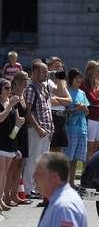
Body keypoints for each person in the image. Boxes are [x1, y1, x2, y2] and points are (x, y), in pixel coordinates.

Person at [24, 61, 54, 199]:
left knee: (42, 162)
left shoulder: (44, 88)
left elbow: (47, 110)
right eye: (43, 71)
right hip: (37, 131)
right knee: (33, 160)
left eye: (46, 71)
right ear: (35, 72)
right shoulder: (31, 89)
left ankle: (36, 188)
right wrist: (39, 129)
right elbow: (28, 113)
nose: (46, 73)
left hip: (47, 130)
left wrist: (50, 128)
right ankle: (28, 189)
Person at [4, 71, 31, 206]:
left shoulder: (22, 96)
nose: (27, 82)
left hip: (23, 132)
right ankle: (7, 195)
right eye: (25, 79)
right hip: (15, 132)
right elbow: (13, 117)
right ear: (18, 81)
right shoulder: (13, 96)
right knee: (12, 167)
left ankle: (15, 194)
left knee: (19, 166)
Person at [0, 79, 24, 211]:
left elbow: (15, 126)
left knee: (5, 174)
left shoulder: (12, 103)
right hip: (1, 142)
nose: (10, 90)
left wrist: (19, 124)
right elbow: (1, 118)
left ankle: (1, 198)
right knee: (1, 172)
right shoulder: (6, 104)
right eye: (6, 88)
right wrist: (9, 106)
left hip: (10, 141)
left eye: (10, 88)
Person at [81, 60, 99, 161]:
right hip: (90, 119)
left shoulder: (98, 83)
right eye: (97, 70)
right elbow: (93, 101)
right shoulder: (84, 84)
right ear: (90, 71)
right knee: (90, 148)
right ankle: (88, 172)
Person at [65, 69, 89, 187]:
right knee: (69, 156)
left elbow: (87, 111)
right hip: (71, 128)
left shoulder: (82, 93)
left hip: (82, 128)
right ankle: (66, 182)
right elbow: (65, 111)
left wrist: (84, 109)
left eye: (80, 78)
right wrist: (76, 109)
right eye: (76, 78)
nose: (79, 80)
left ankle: (72, 182)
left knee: (76, 158)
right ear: (71, 79)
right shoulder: (67, 92)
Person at [47, 57, 72, 152]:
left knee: (58, 147)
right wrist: (62, 100)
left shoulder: (61, 82)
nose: (59, 69)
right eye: (57, 66)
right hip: (51, 115)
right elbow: (50, 101)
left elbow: (69, 100)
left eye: (61, 67)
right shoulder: (47, 81)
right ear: (49, 68)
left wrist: (57, 99)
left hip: (61, 118)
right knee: (50, 146)